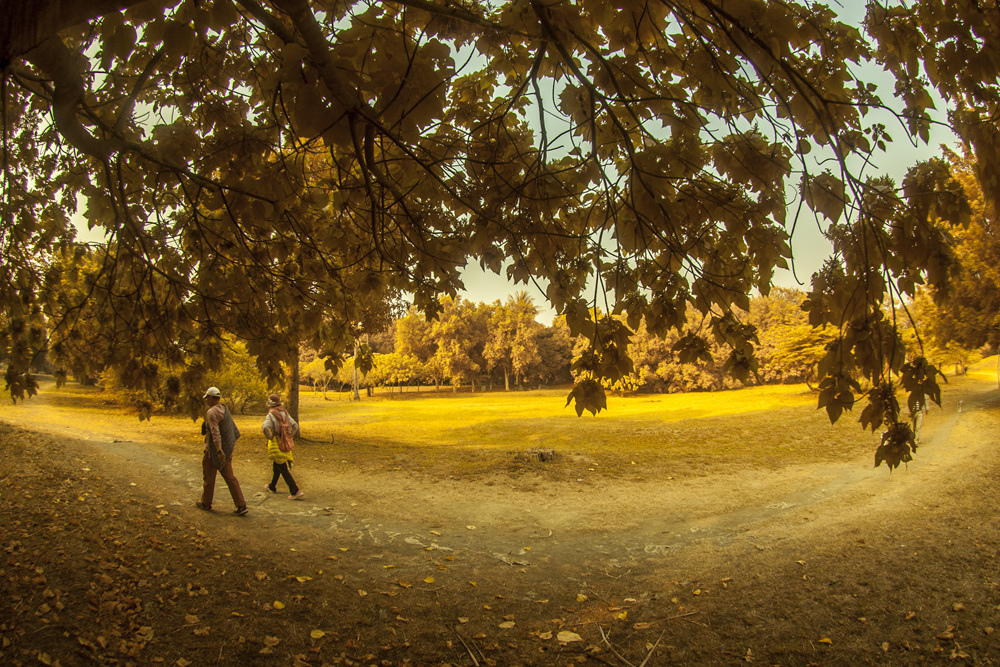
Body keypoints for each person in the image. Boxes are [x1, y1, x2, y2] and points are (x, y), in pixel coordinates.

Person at [196, 386, 248, 515]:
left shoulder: (211, 412)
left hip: (214, 451)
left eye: (208, 398)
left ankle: (206, 503)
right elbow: (234, 431)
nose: (207, 400)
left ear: (212, 399)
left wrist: (219, 450)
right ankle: (241, 505)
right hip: (227, 450)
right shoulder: (225, 409)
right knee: (230, 478)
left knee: (209, 477)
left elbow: (215, 432)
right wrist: (227, 448)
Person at [262, 393, 304, 500]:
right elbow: (295, 426)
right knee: (278, 464)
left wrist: (270, 437)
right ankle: (272, 486)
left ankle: (295, 490)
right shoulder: (285, 413)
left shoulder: (271, 414)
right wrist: (289, 436)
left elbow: (265, 427)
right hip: (285, 441)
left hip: (276, 441)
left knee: (282, 467)